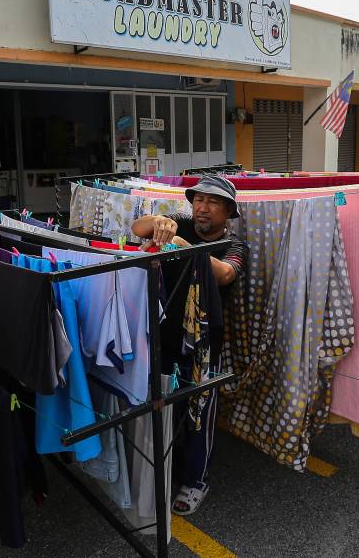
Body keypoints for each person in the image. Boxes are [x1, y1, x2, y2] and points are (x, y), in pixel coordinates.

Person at [130, 176, 247, 516]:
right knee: (164, 404)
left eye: (213, 202)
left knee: (200, 414)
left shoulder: (234, 245)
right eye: (198, 200)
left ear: (228, 212)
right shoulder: (180, 222)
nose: (202, 208)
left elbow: (225, 274)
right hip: (164, 334)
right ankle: (163, 468)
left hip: (204, 345)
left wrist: (185, 247)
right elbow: (138, 228)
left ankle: (196, 481)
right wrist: (159, 221)